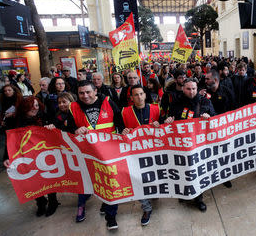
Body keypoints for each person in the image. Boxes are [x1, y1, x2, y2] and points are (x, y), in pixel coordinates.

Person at [67, 80, 125, 230]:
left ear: (95, 91)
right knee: (88, 182)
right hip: (87, 153)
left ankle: (111, 217)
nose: (85, 96)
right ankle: (89, 204)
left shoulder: (108, 102)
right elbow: (69, 126)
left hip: (108, 151)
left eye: (88, 92)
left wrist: (123, 132)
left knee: (111, 182)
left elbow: (119, 120)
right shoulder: (73, 107)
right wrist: (75, 130)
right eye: (81, 93)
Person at [4, 97, 60, 217]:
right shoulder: (14, 120)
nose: (36, 108)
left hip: (44, 153)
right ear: (24, 108)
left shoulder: (44, 116)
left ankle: (53, 201)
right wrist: (7, 157)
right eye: (32, 106)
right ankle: (40, 201)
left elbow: (57, 128)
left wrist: (52, 126)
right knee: (32, 178)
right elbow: (9, 141)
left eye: (37, 105)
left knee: (48, 177)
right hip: (25, 154)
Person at [165, 78, 215, 212]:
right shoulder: (176, 102)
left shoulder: (204, 101)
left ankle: (198, 198)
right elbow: (170, 118)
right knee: (183, 171)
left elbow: (215, 117)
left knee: (197, 171)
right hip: (182, 145)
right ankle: (184, 194)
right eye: (188, 88)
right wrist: (168, 120)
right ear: (183, 88)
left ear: (197, 88)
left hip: (199, 144)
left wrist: (208, 116)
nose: (191, 91)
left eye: (194, 88)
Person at [121, 85, 160, 225]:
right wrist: (123, 131)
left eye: (141, 94)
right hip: (134, 153)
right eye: (135, 95)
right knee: (137, 180)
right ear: (131, 98)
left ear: (145, 95)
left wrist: (160, 124)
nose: (139, 97)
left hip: (154, 151)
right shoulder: (124, 112)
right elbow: (119, 129)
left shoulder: (156, 109)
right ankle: (146, 208)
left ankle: (154, 193)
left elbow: (167, 128)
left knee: (154, 176)